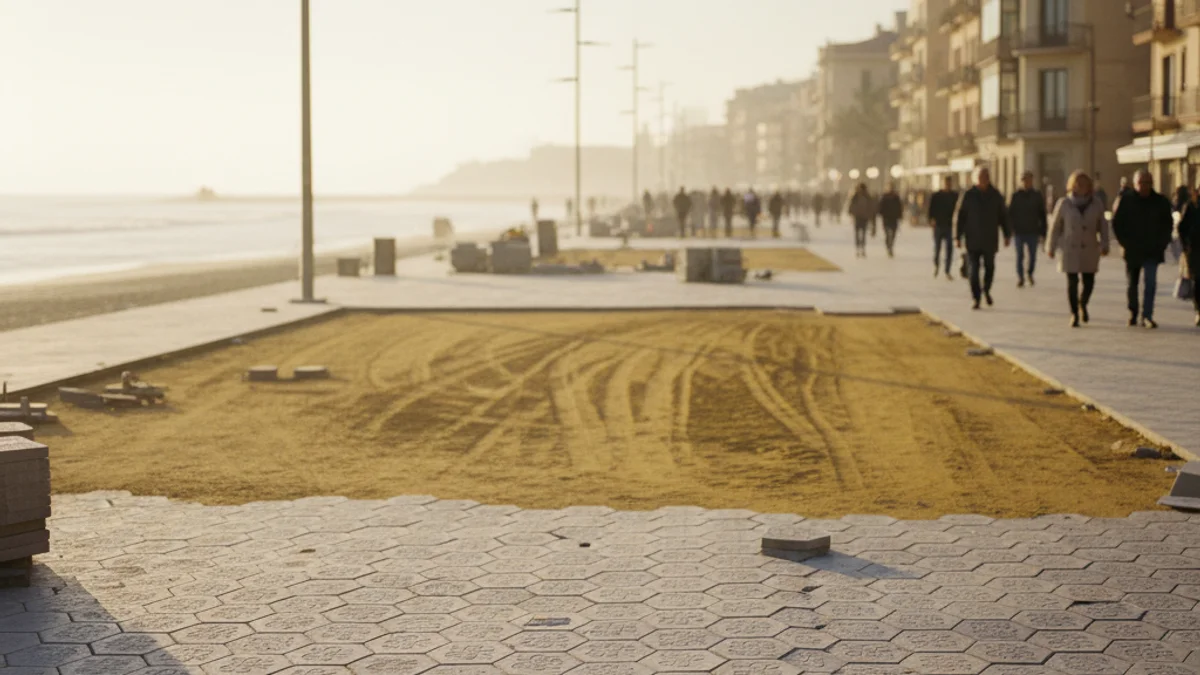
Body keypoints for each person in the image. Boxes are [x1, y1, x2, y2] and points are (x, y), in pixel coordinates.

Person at [1047, 170, 1110, 328]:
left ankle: (1083, 304)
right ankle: (1074, 313)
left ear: (1089, 186)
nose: (1080, 186)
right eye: (1077, 183)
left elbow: (1103, 226)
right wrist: (1051, 246)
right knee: (1072, 282)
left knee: (1089, 282)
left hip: (1089, 248)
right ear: (1072, 185)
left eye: (1084, 184)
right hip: (1070, 248)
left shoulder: (1096, 203)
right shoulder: (1064, 203)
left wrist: (1104, 244)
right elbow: (1055, 227)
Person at [1113, 169, 1174, 328]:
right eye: (1141, 183)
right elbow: (1117, 223)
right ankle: (1133, 312)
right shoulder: (1126, 200)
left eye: (1147, 183)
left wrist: (1162, 243)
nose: (1144, 186)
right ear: (1135, 184)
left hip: (1152, 250)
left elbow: (1167, 225)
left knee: (1151, 283)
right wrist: (1124, 243)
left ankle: (1147, 315)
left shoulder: (1160, 202)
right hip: (1132, 250)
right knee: (1132, 284)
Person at [956, 166, 1011, 310]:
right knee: (973, 271)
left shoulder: (995, 195)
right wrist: (957, 236)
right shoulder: (969, 195)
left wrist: (1007, 234)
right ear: (976, 179)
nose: (983, 180)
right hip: (972, 239)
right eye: (980, 177)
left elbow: (1003, 216)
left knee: (990, 267)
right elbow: (960, 216)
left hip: (989, 238)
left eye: (985, 177)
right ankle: (976, 297)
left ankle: (986, 289)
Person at [1008, 170, 1048, 288]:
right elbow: (1010, 213)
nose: (1026, 182)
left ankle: (1030, 273)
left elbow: (1042, 214)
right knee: (1020, 256)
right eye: (1024, 180)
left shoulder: (1037, 195)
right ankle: (1020, 277)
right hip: (1019, 231)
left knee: (1032, 256)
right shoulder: (1016, 196)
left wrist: (1043, 231)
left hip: (1033, 230)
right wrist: (1010, 229)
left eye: (1029, 180)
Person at [928, 176, 959, 279]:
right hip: (938, 226)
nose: (948, 185)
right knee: (937, 248)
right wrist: (932, 220)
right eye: (946, 183)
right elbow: (931, 209)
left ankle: (947, 270)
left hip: (950, 226)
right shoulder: (937, 195)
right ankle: (936, 265)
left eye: (949, 183)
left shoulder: (955, 196)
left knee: (949, 249)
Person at [1179, 186, 1200, 326]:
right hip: (1196, 250)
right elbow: (1182, 228)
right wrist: (1186, 247)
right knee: (1198, 282)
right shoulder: (1191, 207)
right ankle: (1199, 310)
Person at [847, 184, 876, 258]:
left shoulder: (862, 196)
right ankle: (860, 248)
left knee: (861, 233)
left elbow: (870, 207)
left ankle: (860, 248)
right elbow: (851, 206)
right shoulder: (858, 196)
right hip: (860, 217)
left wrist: (851, 213)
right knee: (860, 233)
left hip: (862, 217)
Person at [878, 182, 904, 258]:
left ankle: (890, 246)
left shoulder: (896, 197)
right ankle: (888, 245)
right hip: (886, 218)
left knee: (893, 233)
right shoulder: (884, 197)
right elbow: (881, 207)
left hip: (894, 218)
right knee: (887, 233)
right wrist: (881, 213)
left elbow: (899, 207)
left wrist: (900, 215)